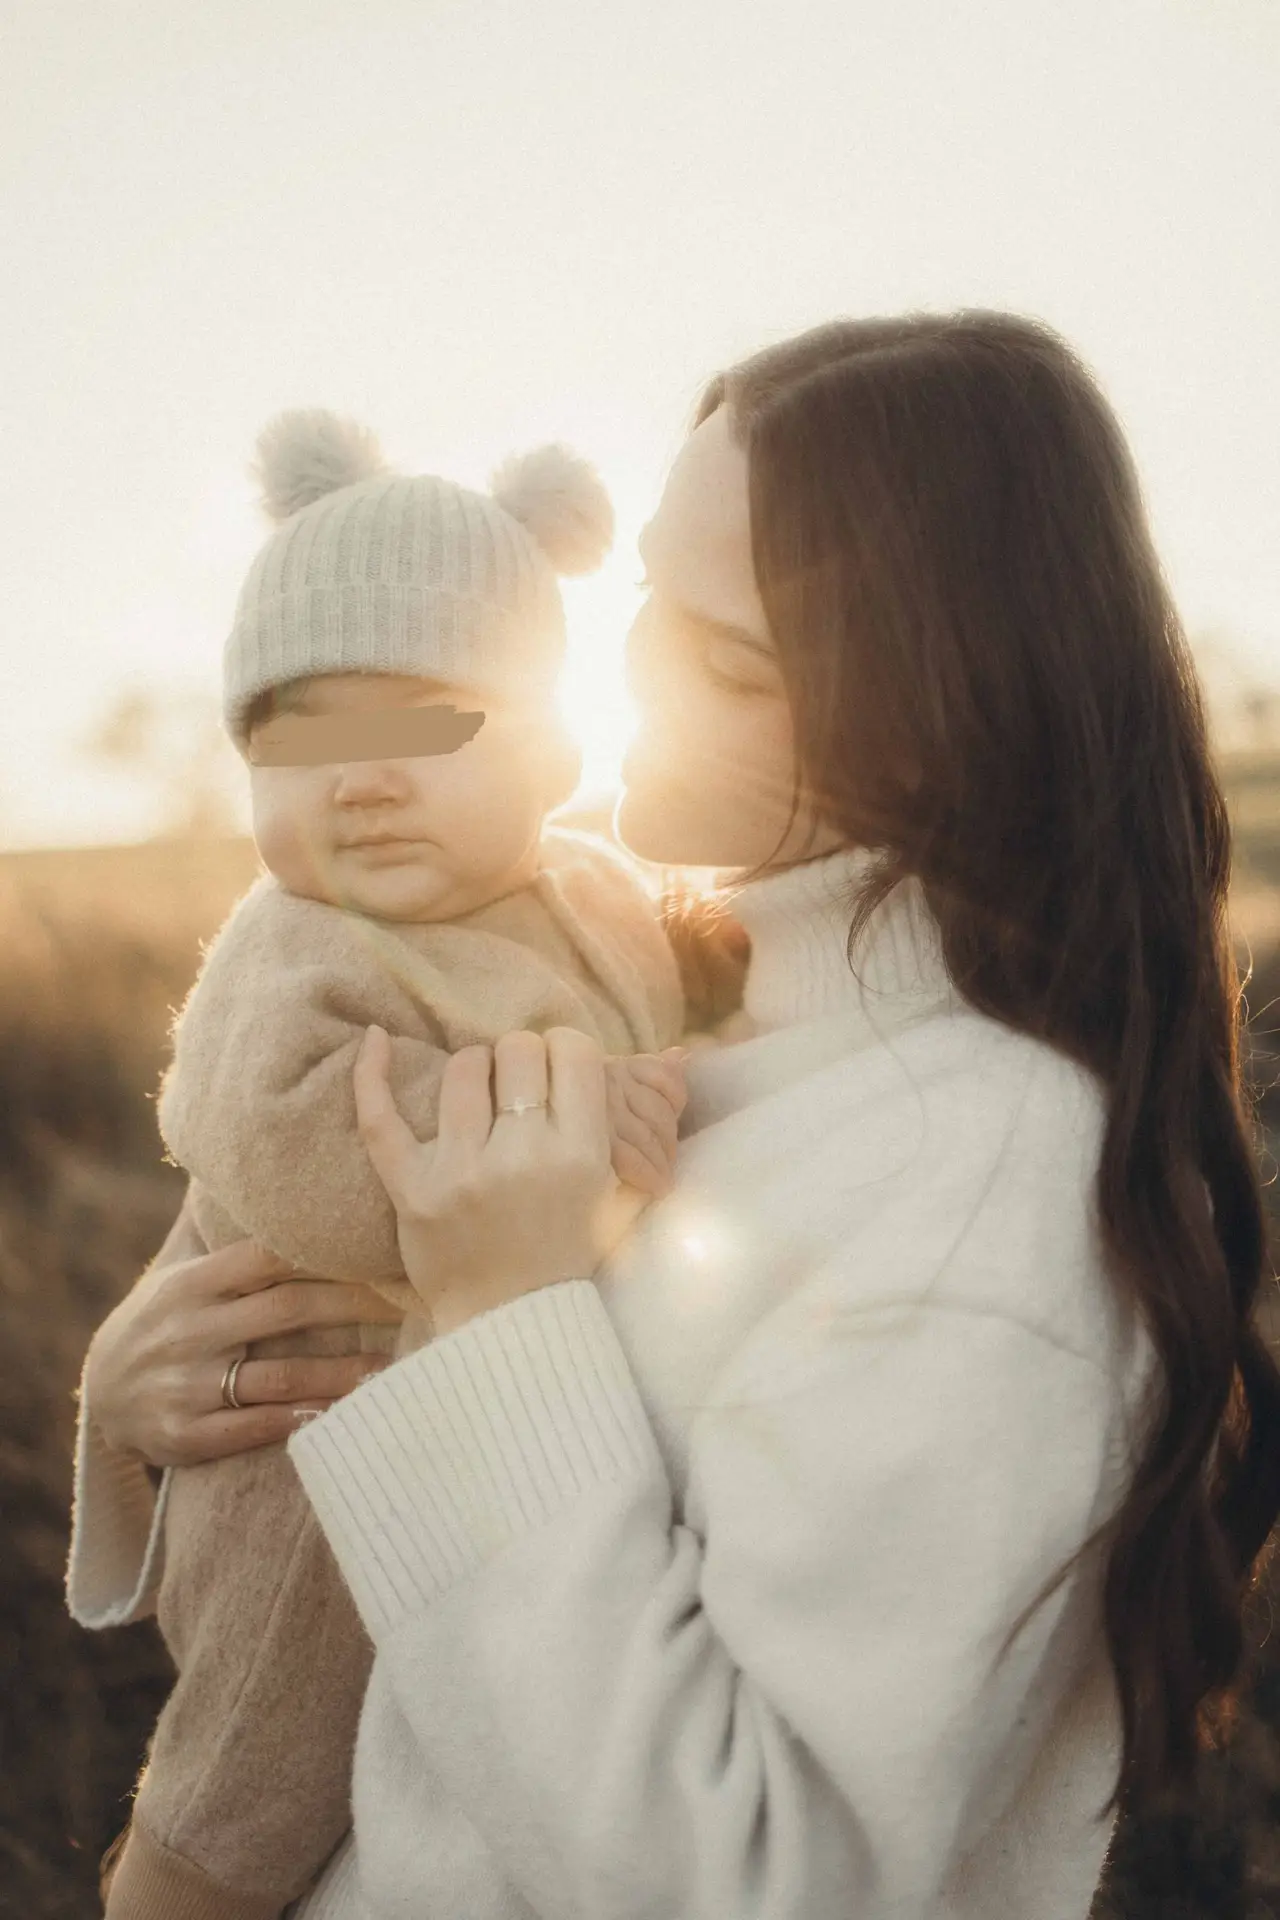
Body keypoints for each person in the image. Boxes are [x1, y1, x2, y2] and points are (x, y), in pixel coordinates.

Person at [71, 312, 1280, 1920]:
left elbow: (751, 1877)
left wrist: (506, 1305)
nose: (628, 665)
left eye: (723, 656)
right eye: (643, 591)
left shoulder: (984, 1192)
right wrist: (140, 1383)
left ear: (921, 713)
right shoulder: (701, 990)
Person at [70, 408, 689, 1920]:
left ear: (548, 750)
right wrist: (576, 1131)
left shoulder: (602, 897)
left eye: (422, 722)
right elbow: (303, 1143)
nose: (360, 779)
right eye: (301, 737)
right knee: (262, 1758)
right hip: (302, 1440)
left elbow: (680, 1019)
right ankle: (171, 1888)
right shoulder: (288, 948)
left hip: (474, 1413)